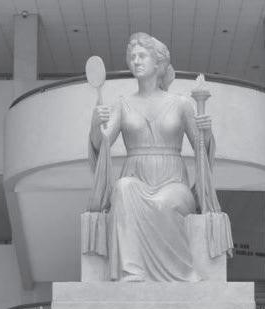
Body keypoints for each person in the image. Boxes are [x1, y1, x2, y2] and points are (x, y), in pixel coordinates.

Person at [87, 33, 226, 282]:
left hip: (173, 181)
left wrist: (206, 131)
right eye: (132, 57)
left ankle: (181, 272)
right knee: (123, 188)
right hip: (136, 177)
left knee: (163, 203)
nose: (136, 61)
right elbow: (102, 146)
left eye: (142, 56)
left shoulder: (181, 103)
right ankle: (132, 272)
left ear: (158, 62)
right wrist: (95, 125)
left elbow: (202, 151)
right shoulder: (122, 104)